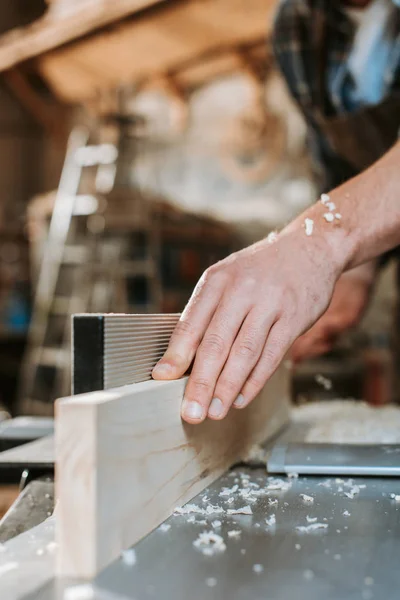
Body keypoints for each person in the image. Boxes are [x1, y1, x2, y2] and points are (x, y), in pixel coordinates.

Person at [152, 0, 400, 423]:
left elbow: (334, 227)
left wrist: (316, 245)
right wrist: (350, 275)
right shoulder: (297, 26)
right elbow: (342, 173)